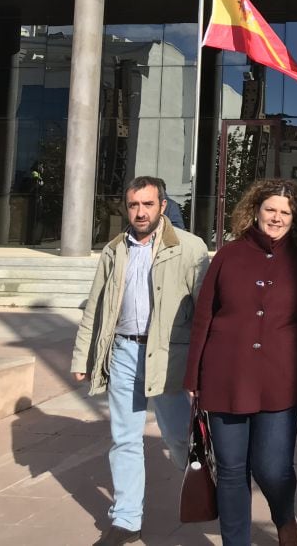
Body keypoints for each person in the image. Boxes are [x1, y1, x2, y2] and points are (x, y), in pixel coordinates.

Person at [185, 179, 297, 546]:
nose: (276, 217)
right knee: (230, 470)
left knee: (272, 469)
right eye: (270, 209)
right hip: (225, 374)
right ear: (255, 210)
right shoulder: (228, 254)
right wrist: (193, 375)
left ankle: (283, 516)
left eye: (285, 212)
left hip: (283, 376)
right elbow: (204, 315)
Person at [70, 176, 210, 546]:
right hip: (124, 353)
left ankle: (206, 486)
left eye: (148, 204)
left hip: (168, 356)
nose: (141, 212)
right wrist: (82, 355)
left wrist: (203, 365)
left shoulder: (191, 249)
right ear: (126, 207)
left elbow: (205, 314)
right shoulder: (114, 249)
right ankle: (127, 519)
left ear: (163, 206)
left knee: (179, 437)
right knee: (125, 439)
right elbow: (95, 307)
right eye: (134, 205)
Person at [23, 161, 44, 245]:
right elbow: (35, 185)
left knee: (33, 221)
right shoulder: (35, 174)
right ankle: (31, 240)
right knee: (34, 221)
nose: (43, 169)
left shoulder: (35, 174)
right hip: (34, 200)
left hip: (34, 200)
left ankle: (31, 239)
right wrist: (40, 183)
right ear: (38, 167)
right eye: (42, 166)